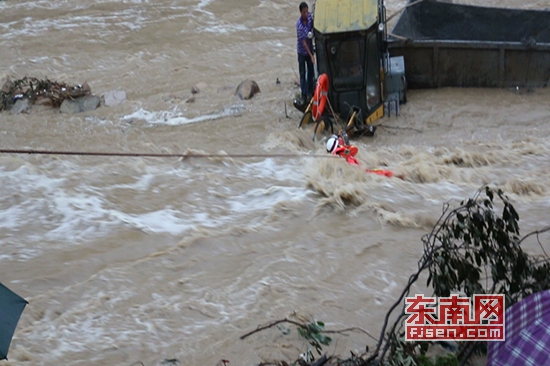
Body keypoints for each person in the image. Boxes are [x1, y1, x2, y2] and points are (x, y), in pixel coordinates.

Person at [326, 131, 397, 178]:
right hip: (363, 174)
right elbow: (354, 150)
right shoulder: (343, 153)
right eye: (339, 140)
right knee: (387, 173)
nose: (341, 140)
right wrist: (347, 143)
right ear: (337, 144)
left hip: (358, 173)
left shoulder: (338, 155)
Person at [296, 2, 315, 105]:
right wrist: (311, 55)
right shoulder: (299, 25)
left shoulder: (310, 19)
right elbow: (304, 42)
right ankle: (304, 96)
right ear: (301, 12)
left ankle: (310, 93)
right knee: (303, 74)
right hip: (302, 52)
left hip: (310, 50)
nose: (306, 13)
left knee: (311, 73)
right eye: (304, 12)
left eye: (307, 11)